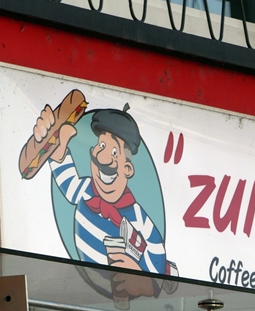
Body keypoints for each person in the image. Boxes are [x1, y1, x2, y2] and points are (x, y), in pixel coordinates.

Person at [34, 102, 168, 274]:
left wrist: (141, 275)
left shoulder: (136, 215)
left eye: (114, 153)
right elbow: (68, 183)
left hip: (121, 284)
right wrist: (55, 146)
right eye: (101, 146)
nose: (103, 158)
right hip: (84, 279)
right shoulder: (86, 189)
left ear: (127, 169)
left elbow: (157, 250)